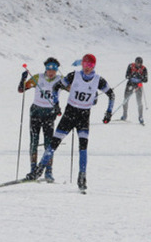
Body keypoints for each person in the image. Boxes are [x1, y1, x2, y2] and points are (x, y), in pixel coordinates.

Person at [23, 53, 114, 191]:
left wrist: (108, 112)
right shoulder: (74, 75)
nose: (87, 67)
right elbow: (56, 87)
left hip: (83, 117)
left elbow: (111, 94)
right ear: (82, 64)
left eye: (90, 65)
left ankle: (82, 176)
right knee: (54, 143)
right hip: (69, 114)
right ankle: (39, 169)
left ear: (94, 66)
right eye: (85, 64)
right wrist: (56, 104)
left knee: (83, 147)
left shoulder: (98, 80)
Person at [18, 57, 62, 182]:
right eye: (49, 68)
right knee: (34, 141)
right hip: (36, 112)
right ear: (45, 68)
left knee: (49, 144)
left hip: (49, 114)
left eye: (54, 68)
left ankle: (48, 171)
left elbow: (72, 89)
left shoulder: (60, 80)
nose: (51, 71)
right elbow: (21, 89)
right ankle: (33, 169)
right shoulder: (38, 78)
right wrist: (23, 79)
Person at [120, 56, 148, 124]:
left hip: (138, 85)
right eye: (137, 63)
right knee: (125, 99)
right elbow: (126, 76)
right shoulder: (130, 66)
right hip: (130, 84)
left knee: (139, 101)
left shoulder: (144, 69)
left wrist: (140, 76)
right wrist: (132, 75)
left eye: (139, 63)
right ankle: (124, 115)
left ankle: (140, 117)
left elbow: (146, 80)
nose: (138, 65)